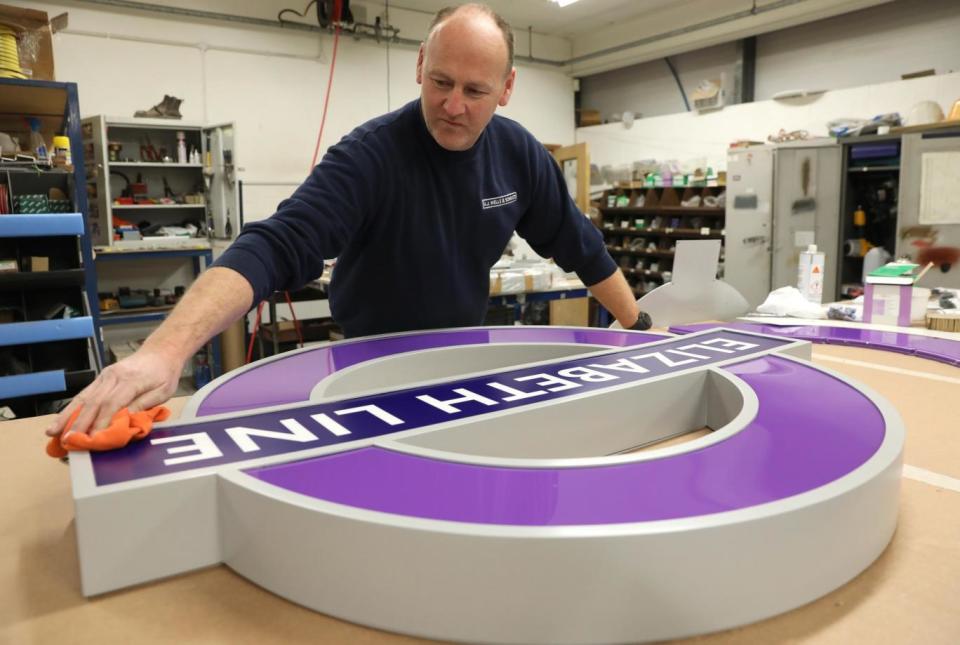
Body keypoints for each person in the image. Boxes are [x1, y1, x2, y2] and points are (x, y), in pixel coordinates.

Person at [45, 2, 651, 440]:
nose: (453, 105)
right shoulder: (371, 155)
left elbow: (580, 245)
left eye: (475, 90)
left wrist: (639, 325)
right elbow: (274, 245)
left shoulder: (519, 155)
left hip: (463, 359)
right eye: (440, 82)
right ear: (419, 65)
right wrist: (163, 352)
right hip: (365, 369)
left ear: (507, 89)